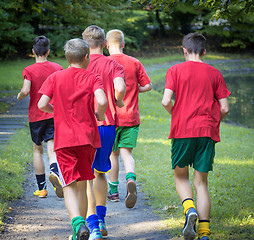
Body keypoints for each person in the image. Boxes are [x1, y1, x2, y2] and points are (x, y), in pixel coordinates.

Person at [161, 33, 230, 240]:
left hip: (183, 130)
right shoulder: (214, 72)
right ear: (204, 51)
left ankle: (189, 208)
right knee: (201, 183)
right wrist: (213, 121)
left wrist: (178, 115)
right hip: (206, 131)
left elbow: (165, 101)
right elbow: (224, 107)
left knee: (181, 176)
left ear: (184, 50)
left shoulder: (174, 70)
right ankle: (205, 232)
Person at [38, 38, 107, 240]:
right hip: (87, 138)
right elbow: (102, 100)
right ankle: (82, 226)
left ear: (67, 58)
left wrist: (56, 111)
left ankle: (77, 224)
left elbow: (42, 104)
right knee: (84, 184)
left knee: (69, 183)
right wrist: (100, 115)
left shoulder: (55, 77)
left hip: (64, 139)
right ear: (86, 57)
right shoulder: (93, 77)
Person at [82, 25, 126, 239]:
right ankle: (100, 218)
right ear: (105, 44)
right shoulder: (113, 64)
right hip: (107, 124)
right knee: (100, 172)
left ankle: (93, 227)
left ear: (85, 44)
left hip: (84, 126)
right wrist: (118, 100)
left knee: (85, 177)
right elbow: (120, 88)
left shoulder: (80, 64)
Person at [106, 29, 152, 208]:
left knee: (113, 155)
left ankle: (114, 192)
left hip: (111, 117)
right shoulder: (134, 62)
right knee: (127, 153)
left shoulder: (105, 63)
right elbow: (147, 86)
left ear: (107, 45)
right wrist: (133, 90)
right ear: (123, 44)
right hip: (131, 117)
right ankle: (130, 178)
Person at [17, 35, 63, 198]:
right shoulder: (57, 67)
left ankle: (42, 189)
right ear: (48, 52)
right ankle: (54, 171)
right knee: (52, 148)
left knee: (38, 150)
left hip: (36, 116)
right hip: (53, 112)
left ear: (33, 52)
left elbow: (26, 89)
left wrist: (20, 96)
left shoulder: (28, 70)